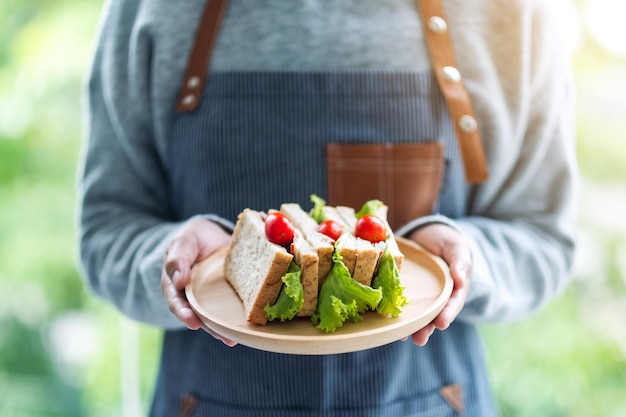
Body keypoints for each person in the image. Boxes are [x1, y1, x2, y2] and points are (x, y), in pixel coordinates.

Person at [77, 0, 578, 415]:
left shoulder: (512, 13)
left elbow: (543, 236)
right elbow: (106, 231)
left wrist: (465, 261)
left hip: (433, 401)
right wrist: (178, 260)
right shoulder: (149, 10)